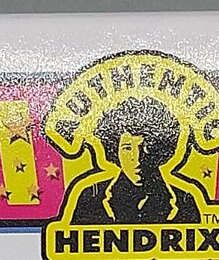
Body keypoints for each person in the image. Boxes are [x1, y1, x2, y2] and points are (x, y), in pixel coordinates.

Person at [70, 96, 202, 225]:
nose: (137, 158)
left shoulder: (184, 199)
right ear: (114, 151)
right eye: (127, 148)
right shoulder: (92, 196)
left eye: (146, 147)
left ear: (160, 150)